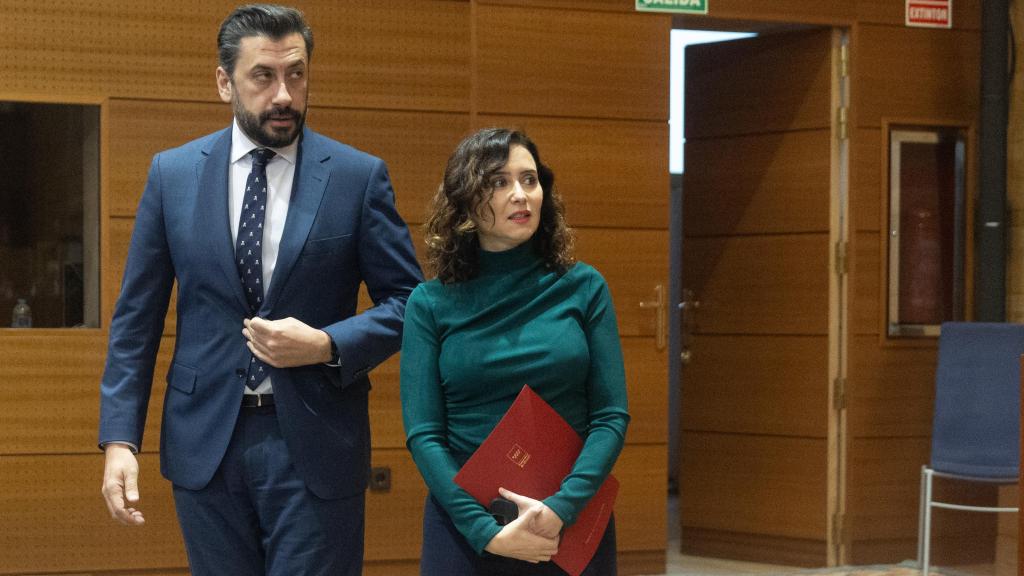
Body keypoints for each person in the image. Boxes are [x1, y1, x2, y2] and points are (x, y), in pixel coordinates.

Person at [98, 5, 423, 575]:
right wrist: (120, 440)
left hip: (317, 441)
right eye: (263, 76)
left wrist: (326, 343)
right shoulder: (171, 175)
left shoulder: (356, 176)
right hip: (206, 444)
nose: (283, 95)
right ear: (224, 81)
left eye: (296, 74)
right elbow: (136, 321)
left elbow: (410, 304)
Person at [400, 128, 630, 575]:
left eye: (530, 180)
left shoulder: (583, 287)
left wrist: (561, 508)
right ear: (466, 202)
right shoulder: (430, 303)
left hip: (568, 519)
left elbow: (610, 416)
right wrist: (486, 531)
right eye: (499, 182)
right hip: (467, 524)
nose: (520, 195)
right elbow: (424, 434)